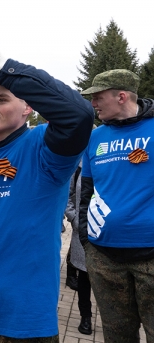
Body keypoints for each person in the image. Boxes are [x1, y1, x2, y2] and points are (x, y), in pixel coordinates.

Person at [0, 31, 93, 342]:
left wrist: (5, 67)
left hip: (24, 323)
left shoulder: (43, 148)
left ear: (28, 107)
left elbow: (78, 116)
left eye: (1, 99)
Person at [78, 69, 154, 341]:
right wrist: (86, 239)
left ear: (121, 97)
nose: (93, 104)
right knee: (117, 334)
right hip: (104, 257)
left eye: (98, 97)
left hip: (151, 255)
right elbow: (86, 192)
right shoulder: (95, 137)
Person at [64, 162, 92, 335]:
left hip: (109, 233)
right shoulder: (79, 167)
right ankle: (85, 316)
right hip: (83, 231)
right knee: (84, 277)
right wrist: (74, 219)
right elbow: (67, 196)